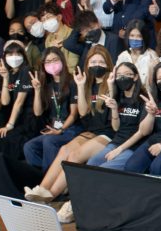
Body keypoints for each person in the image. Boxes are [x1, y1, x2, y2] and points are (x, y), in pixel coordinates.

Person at [25, 48, 115, 205]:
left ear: (108, 64)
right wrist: (80, 87)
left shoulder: (112, 83)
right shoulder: (87, 84)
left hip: (108, 133)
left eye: (101, 62)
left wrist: (111, 86)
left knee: (74, 156)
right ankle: (40, 190)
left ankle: (50, 196)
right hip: (91, 131)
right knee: (64, 150)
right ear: (87, 64)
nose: (97, 65)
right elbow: (83, 112)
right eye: (93, 62)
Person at [22, 47, 81, 170]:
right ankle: (42, 175)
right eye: (48, 62)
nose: (52, 64)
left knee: (49, 141)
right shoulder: (45, 84)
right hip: (54, 127)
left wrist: (61, 129)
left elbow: (74, 114)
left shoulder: (72, 82)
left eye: (55, 60)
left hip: (71, 128)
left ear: (62, 61)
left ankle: (47, 178)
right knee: (29, 147)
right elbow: (38, 112)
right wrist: (37, 91)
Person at [88, 63, 154, 171]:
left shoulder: (144, 98)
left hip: (134, 145)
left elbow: (142, 132)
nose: (122, 78)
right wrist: (114, 109)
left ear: (135, 77)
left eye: (127, 74)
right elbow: (115, 128)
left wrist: (120, 149)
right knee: (91, 165)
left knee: (105, 170)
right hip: (117, 141)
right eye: (119, 75)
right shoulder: (118, 97)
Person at [115, 18, 160, 84]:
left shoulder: (152, 56)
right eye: (132, 35)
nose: (135, 39)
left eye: (139, 36)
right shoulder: (122, 56)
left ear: (144, 37)